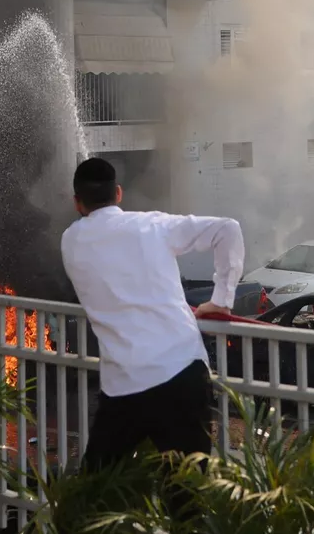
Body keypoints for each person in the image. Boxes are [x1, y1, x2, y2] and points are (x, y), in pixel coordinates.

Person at [61, 157, 243, 469]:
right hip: (181, 373)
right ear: (118, 193)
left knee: (96, 490)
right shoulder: (151, 225)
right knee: (188, 492)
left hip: (123, 387)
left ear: (77, 203)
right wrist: (221, 301)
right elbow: (228, 229)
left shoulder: (70, 241)